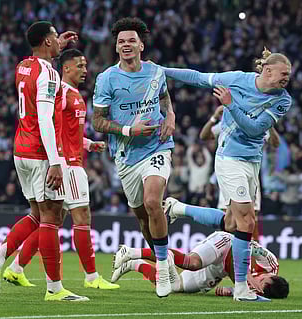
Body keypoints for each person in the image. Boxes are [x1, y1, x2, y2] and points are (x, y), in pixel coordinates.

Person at [161, 47, 292, 302]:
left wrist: (231, 105)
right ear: (267, 70)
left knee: (232, 224)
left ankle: (178, 208)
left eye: (289, 74)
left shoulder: (282, 99)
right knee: (247, 223)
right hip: (229, 159)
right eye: (283, 73)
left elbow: (254, 129)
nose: (287, 78)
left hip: (252, 163)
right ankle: (242, 289)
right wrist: (161, 70)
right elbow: (198, 77)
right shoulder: (237, 79)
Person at [0, 21, 88, 302]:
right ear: (47, 42)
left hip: (21, 150)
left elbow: (37, 74)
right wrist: (55, 161)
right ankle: (55, 289)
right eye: (54, 36)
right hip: (41, 154)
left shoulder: (23, 66)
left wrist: (55, 48)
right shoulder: (50, 74)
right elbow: (45, 117)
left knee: (37, 216)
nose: (57, 39)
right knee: (52, 217)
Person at [2, 49, 119, 290]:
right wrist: (59, 158)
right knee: (81, 216)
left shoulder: (74, 94)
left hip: (70, 158)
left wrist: (87, 143)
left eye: (85, 66)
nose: (85, 70)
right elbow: (51, 123)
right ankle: (91, 277)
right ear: (66, 68)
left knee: (52, 220)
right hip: (68, 164)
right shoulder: (62, 92)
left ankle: (16, 267)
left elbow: (67, 130)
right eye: (80, 66)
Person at [92, 17, 178, 297]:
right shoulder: (107, 79)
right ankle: (163, 261)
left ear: (141, 45)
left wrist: (171, 117)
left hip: (158, 146)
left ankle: (163, 270)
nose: (126, 45)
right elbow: (97, 122)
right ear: (116, 48)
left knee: (154, 202)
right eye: (121, 42)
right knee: (143, 216)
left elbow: (164, 98)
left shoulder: (156, 72)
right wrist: (129, 129)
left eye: (131, 40)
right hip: (127, 155)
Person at [111, 232, 288, 299]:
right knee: (191, 263)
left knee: (176, 286)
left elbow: (228, 290)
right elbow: (244, 245)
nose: (259, 283)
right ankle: (132, 252)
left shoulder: (261, 290)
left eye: (261, 287)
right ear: (271, 276)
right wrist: (245, 276)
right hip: (225, 244)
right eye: (263, 280)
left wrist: (230, 290)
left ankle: (134, 264)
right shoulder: (270, 262)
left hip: (221, 269)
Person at [199, 104, 280, 240]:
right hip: (230, 173)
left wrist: (268, 121)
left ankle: (250, 259)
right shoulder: (229, 122)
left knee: (251, 220)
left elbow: (275, 143)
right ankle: (226, 257)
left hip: (250, 174)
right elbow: (204, 136)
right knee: (228, 222)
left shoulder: (257, 124)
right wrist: (214, 117)